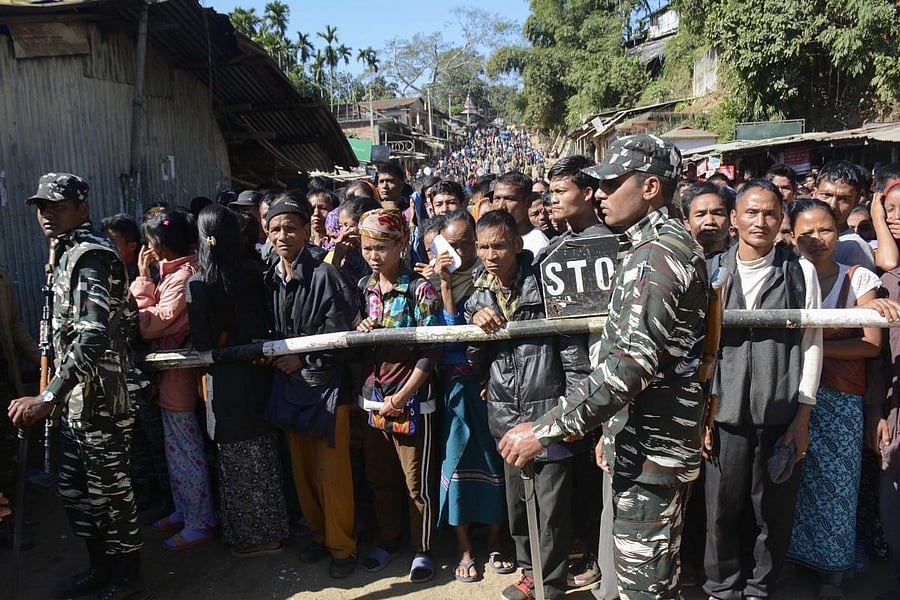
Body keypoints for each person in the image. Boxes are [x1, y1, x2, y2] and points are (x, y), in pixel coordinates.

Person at [496, 134, 708, 600]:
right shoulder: (658, 245)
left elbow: (629, 367)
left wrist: (543, 430)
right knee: (656, 580)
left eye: (612, 183)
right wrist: (612, 430)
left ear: (650, 187)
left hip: (651, 449)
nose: (601, 194)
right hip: (647, 440)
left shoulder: (656, 255)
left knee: (643, 588)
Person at [8, 173, 146, 599]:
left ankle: (128, 580)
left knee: (110, 493)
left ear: (82, 209)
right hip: (74, 400)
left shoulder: (90, 256)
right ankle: (100, 568)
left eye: (58, 207)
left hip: (101, 399)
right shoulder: (63, 253)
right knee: (74, 489)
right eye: (41, 208)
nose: (47, 215)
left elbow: (92, 334)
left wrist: (48, 396)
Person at [703, 179, 823, 600]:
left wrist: (803, 414)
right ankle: (722, 588)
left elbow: (812, 344)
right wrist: (702, 414)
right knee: (721, 512)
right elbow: (697, 351)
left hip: (780, 414)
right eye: (751, 212)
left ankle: (761, 589)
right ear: (734, 220)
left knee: (773, 513)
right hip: (724, 415)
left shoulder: (798, 270)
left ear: (782, 220)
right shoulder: (712, 271)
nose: (761, 221)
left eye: (770, 213)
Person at [467, 209, 591, 600]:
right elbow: (475, 363)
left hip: (549, 415)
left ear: (518, 244)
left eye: (500, 245)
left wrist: (570, 414)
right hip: (505, 416)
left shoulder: (546, 286)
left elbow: (573, 355)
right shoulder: (480, 294)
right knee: (519, 506)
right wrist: (475, 323)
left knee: (551, 512)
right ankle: (528, 574)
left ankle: (549, 586)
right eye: (484, 247)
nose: (492, 255)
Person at [783, 199, 883, 598]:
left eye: (824, 229)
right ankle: (790, 562)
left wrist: (809, 345)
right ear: (791, 236)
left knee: (837, 487)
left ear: (838, 231)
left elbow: (870, 346)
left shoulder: (859, 278)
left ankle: (832, 576)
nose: (816, 238)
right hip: (790, 395)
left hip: (840, 399)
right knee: (792, 482)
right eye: (805, 231)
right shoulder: (785, 278)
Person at [263, 196, 361, 578]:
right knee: (302, 474)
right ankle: (320, 537)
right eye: (275, 229)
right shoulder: (272, 276)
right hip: (288, 386)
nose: (283, 235)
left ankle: (343, 549)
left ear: (307, 231)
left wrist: (302, 359)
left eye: (290, 228)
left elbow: (340, 335)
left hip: (325, 390)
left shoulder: (325, 275)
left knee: (331, 476)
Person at [186, 204, 289, 558]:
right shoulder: (254, 272)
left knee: (236, 464)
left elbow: (201, 343)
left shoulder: (198, 283)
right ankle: (274, 529)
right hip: (258, 376)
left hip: (226, 385)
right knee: (263, 458)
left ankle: (251, 538)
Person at [356, 208, 440, 583]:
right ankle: (389, 539)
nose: (374, 255)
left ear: (402, 244)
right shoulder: (364, 288)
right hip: (375, 400)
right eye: (367, 247)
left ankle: (422, 549)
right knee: (380, 478)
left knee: (414, 482)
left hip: (412, 401)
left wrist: (404, 394)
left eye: (382, 248)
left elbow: (430, 350)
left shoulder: (420, 289)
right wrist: (361, 327)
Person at [130, 209, 217, 551]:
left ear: (158, 245)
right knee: (176, 450)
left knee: (186, 451)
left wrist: (141, 281)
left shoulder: (182, 277)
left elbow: (152, 323)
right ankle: (186, 510)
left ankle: (200, 521)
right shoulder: (173, 273)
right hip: (169, 377)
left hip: (179, 375)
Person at [432, 210, 511, 583]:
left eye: (467, 242)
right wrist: (444, 287)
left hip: (491, 387)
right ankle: (464, 548)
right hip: (455, 390)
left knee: (495, 463)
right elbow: (447, 348)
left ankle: (495, 542)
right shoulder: (429, 284)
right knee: (456, 463)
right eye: (454, 243)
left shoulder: (491, 279)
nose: (461, 249)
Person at [814, 160, 875, 271]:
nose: (833, 205)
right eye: (826, 195)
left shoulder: (856, 248)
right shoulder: (801, 237)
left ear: (856, 201)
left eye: (844, 199)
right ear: (814, 193)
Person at [492, 171, 549, 257]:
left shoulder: (537, 242)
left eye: (509, 199)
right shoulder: (490, 239)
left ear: (528, 202)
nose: (500, 206)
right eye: (497, 198)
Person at [681, 181, 734, 258]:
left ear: (730, 219)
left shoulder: (739, 263)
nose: (709, 221)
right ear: (687, 222)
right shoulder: (677, 261)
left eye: (717, 213)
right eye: (700, 215)